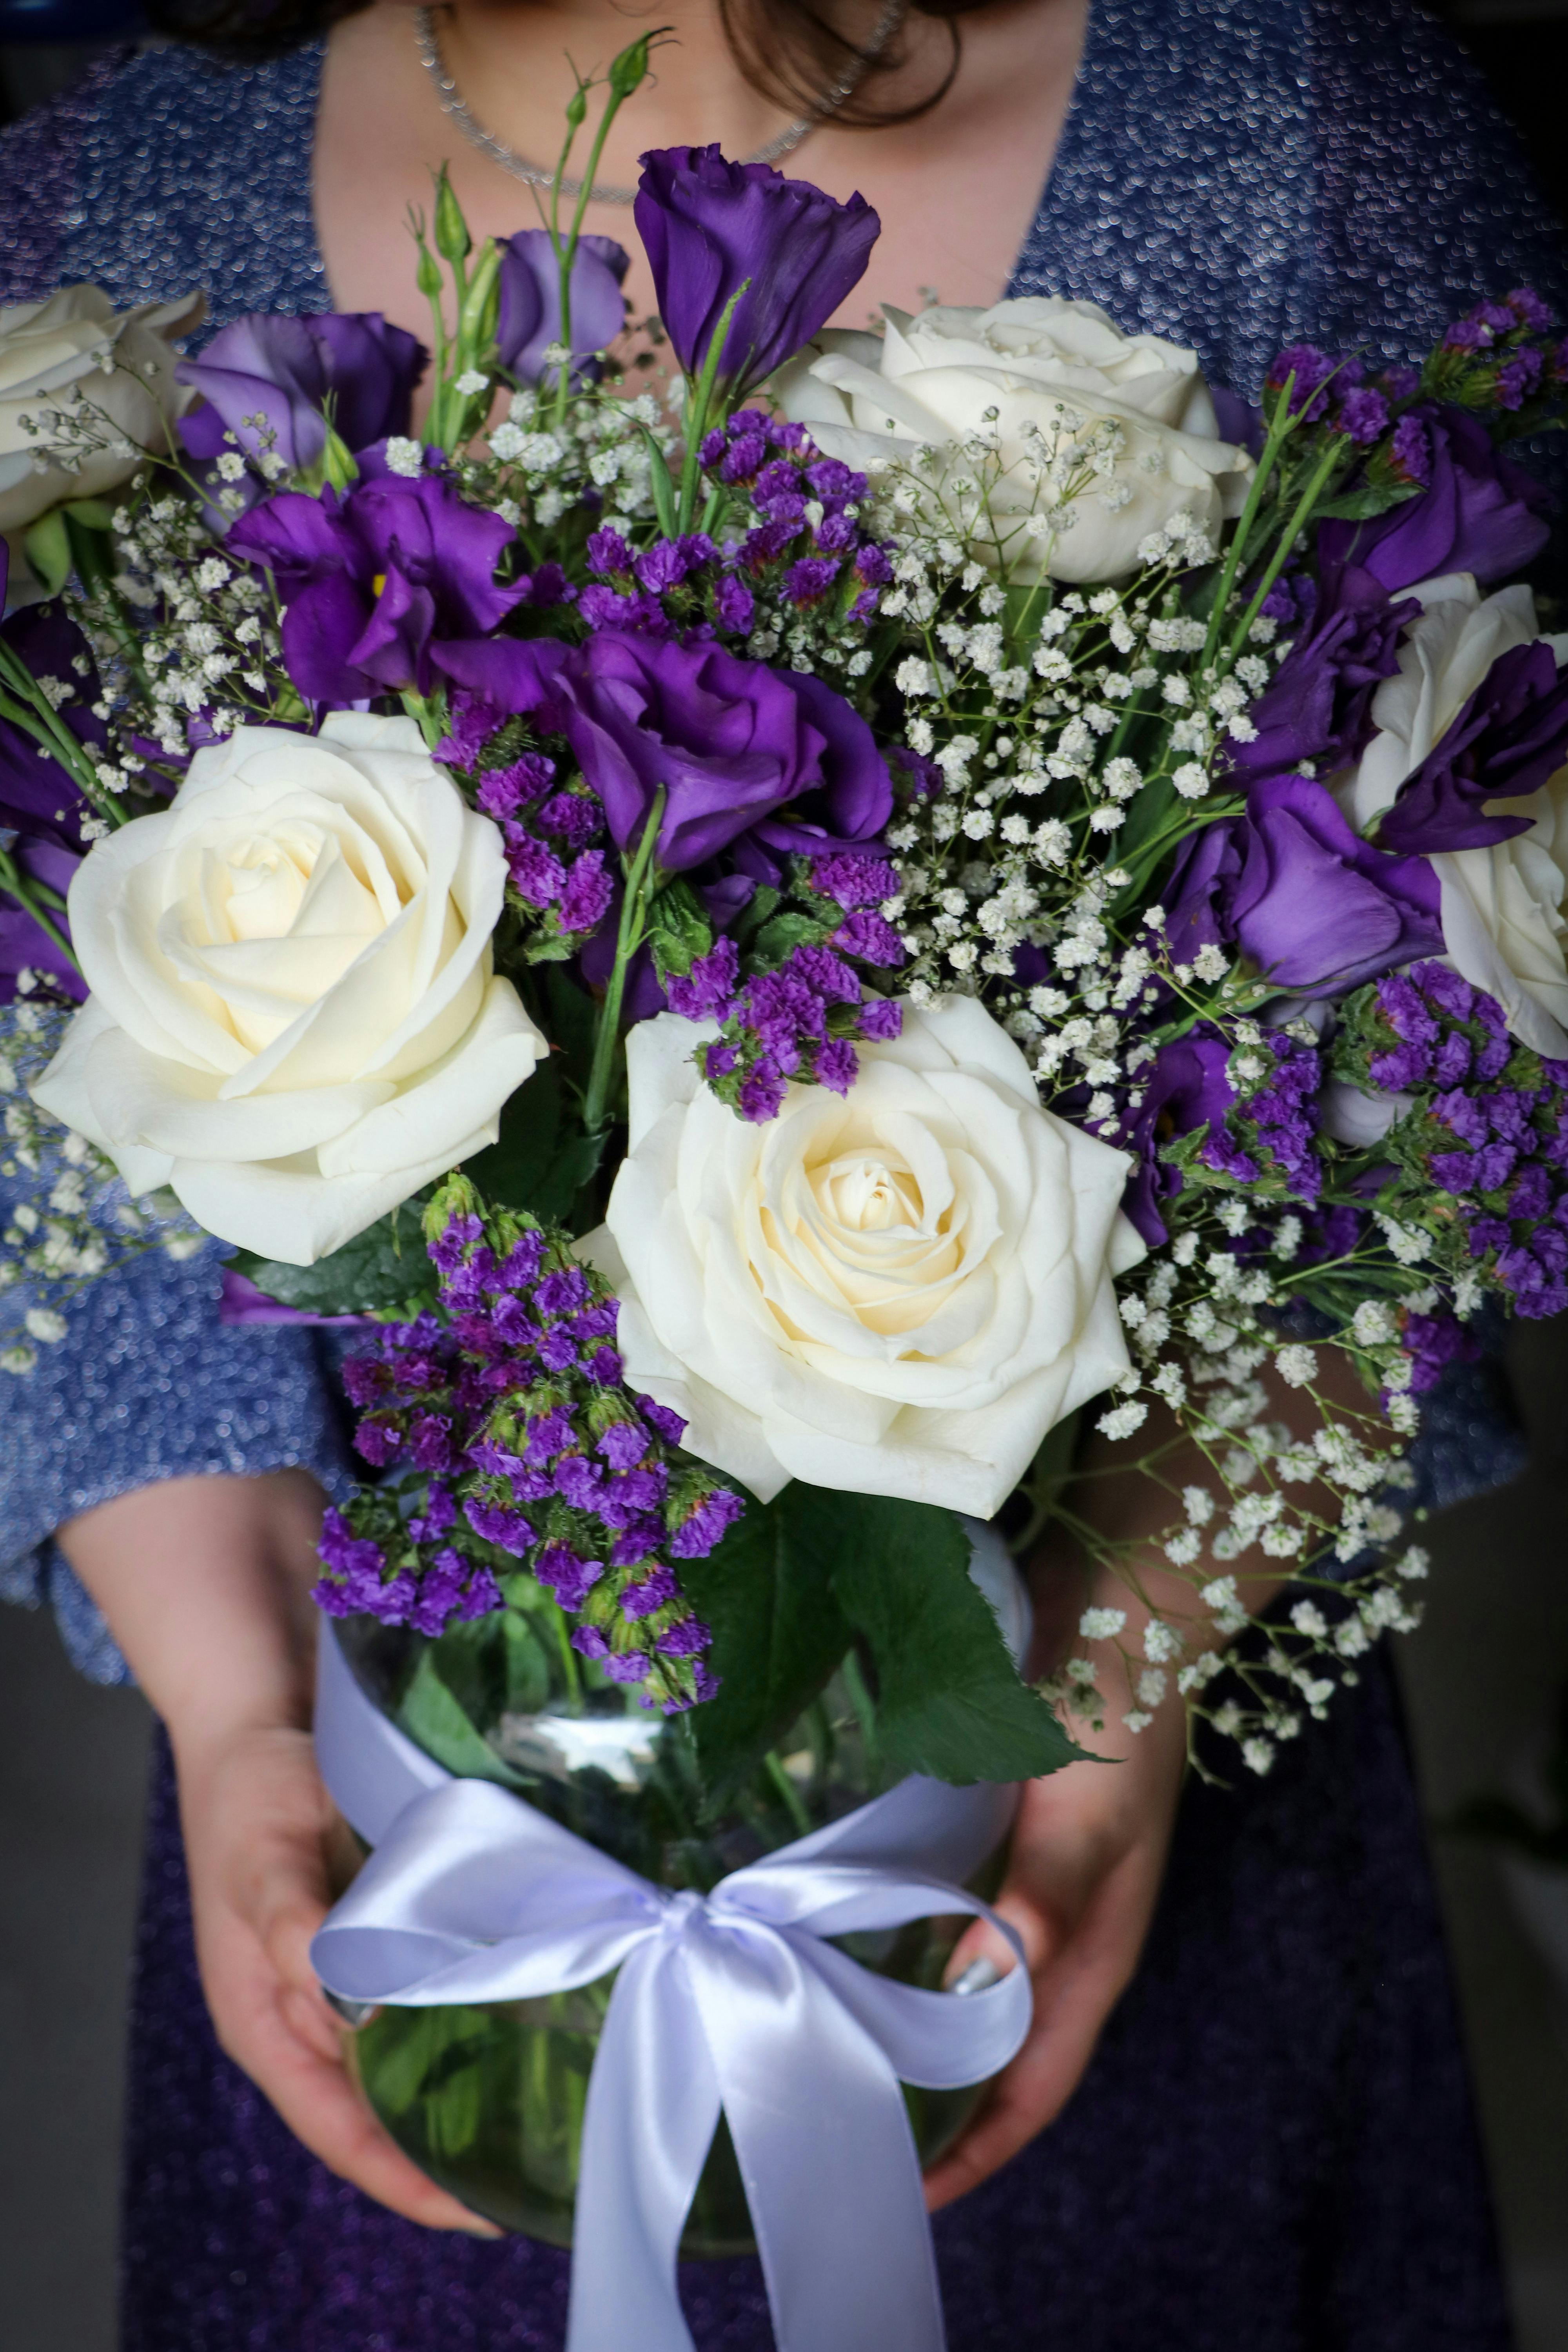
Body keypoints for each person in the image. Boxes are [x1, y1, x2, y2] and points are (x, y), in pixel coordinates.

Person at [2, 0, 1564, 2342]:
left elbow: (1446, 1099)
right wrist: (240, 1712)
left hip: (1064, 1841)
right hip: (404, 1849)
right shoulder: (116, 208)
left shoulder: (1307, 127)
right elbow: (70, 1131)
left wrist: (1113, 1697)